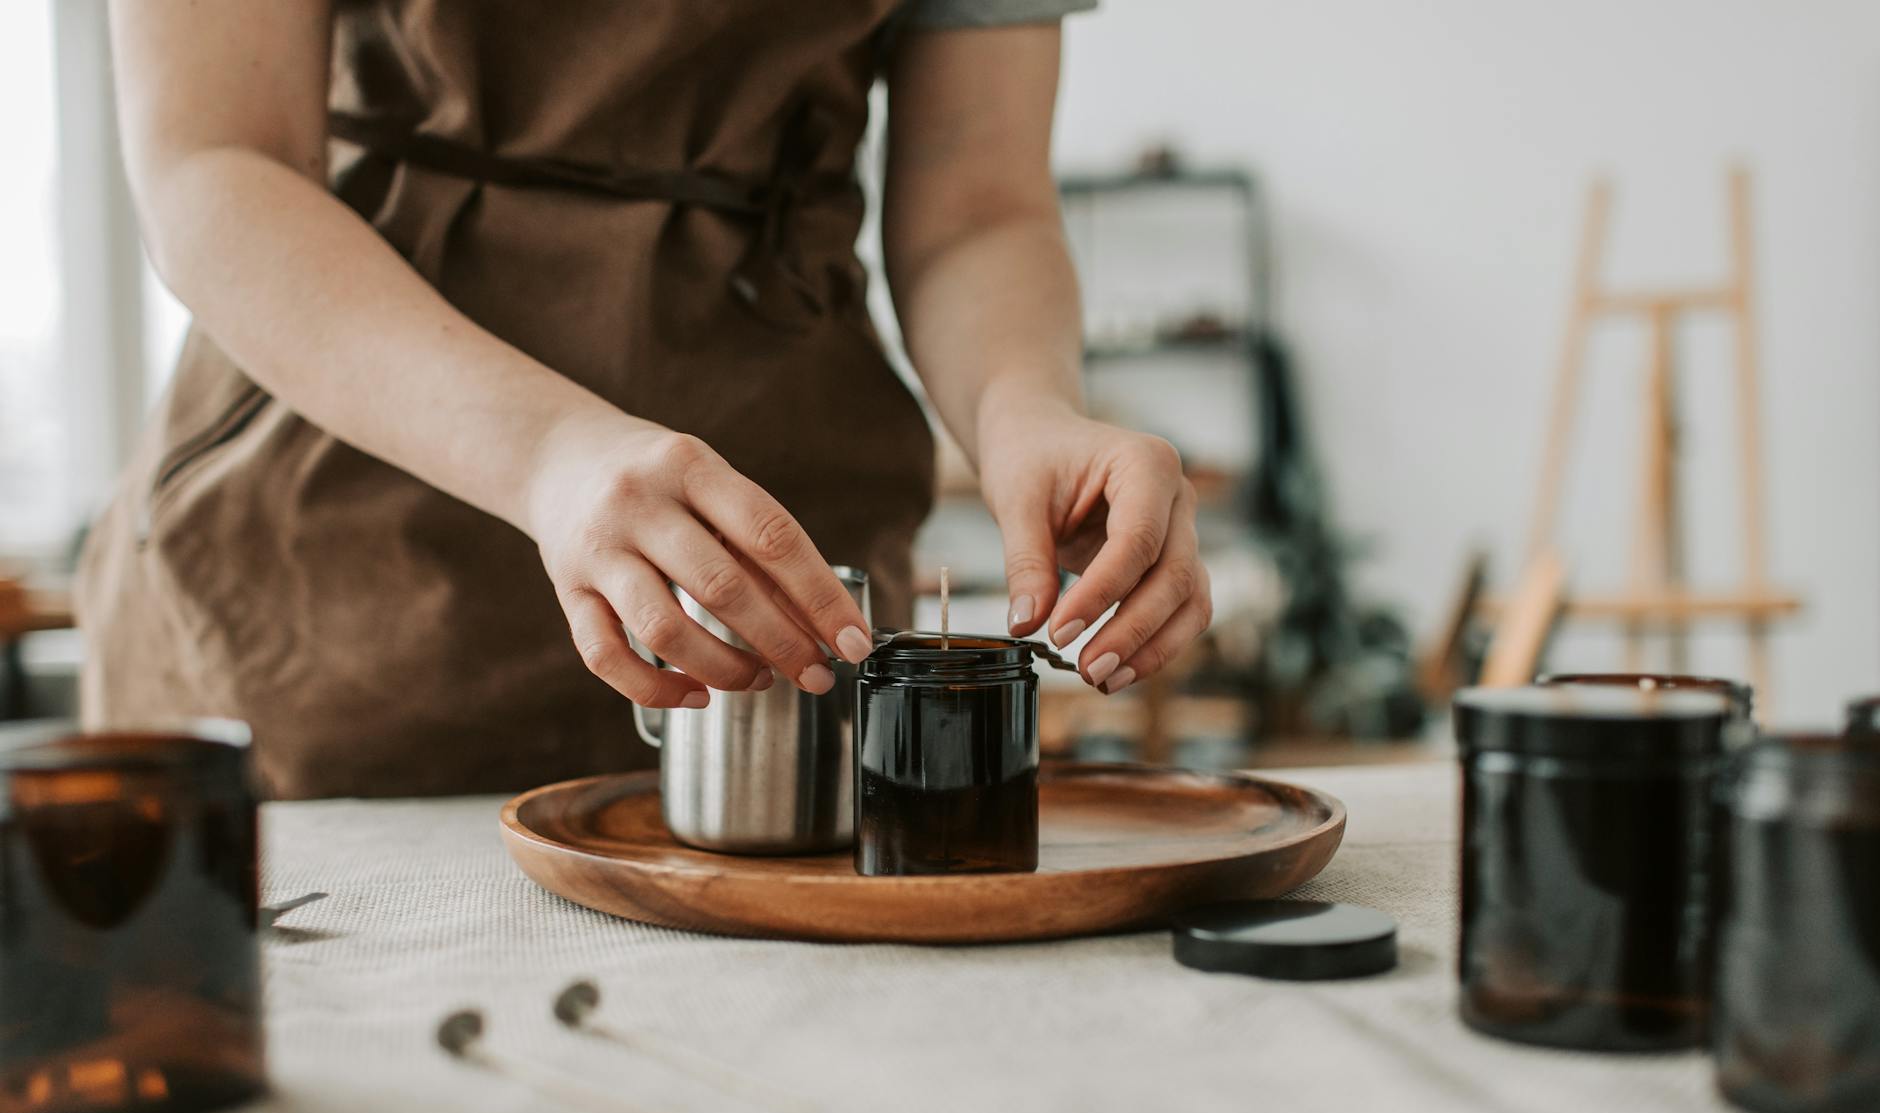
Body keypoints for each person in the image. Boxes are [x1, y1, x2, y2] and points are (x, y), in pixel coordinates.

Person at [79, 0, 1211, 799]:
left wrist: (1027, 407)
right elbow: (213, 160)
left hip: (779, 559)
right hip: (338, 557)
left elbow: (977, 207)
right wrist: (547, 455)